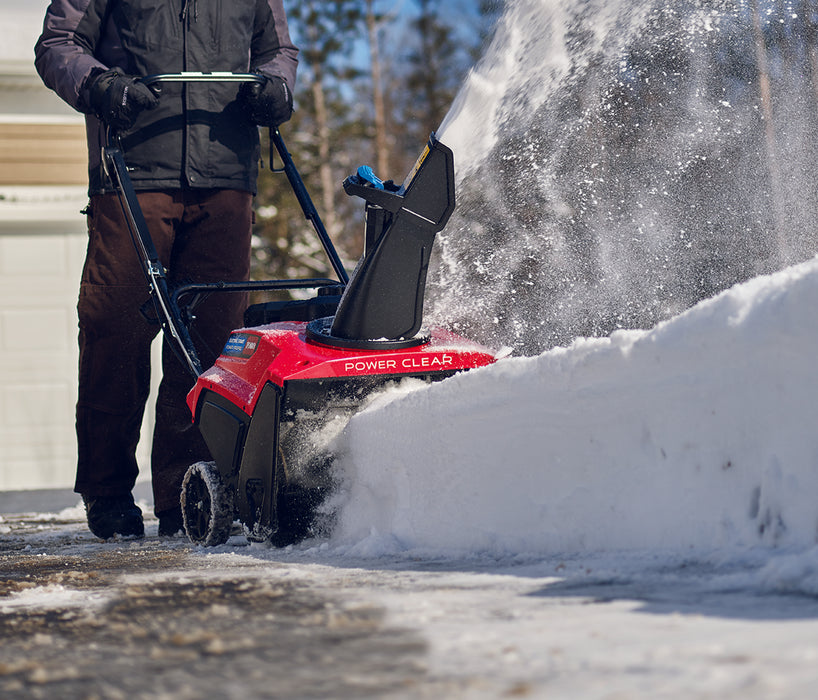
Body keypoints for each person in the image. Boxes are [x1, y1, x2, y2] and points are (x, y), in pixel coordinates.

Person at [34, 0, 298, 539]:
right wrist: (103, 87)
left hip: (226, 177)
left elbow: (277, 52)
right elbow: (58, 45)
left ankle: (187, 494)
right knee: (115, 330)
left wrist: (277, 89)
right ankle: (107, 494)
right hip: (131, 170)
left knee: (207, 347)